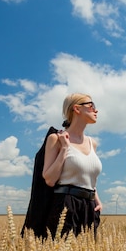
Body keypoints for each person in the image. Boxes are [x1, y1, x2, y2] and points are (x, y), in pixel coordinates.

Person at [22, 93, 103, 239]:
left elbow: (87, 175)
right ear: (76, 109)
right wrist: (64, 149)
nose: (96, 110)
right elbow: (50, 179)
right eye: (91, 106)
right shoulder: (56, 139)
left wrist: (97, 200)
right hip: (66, 204)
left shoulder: (93, 143)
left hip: (90, 206)